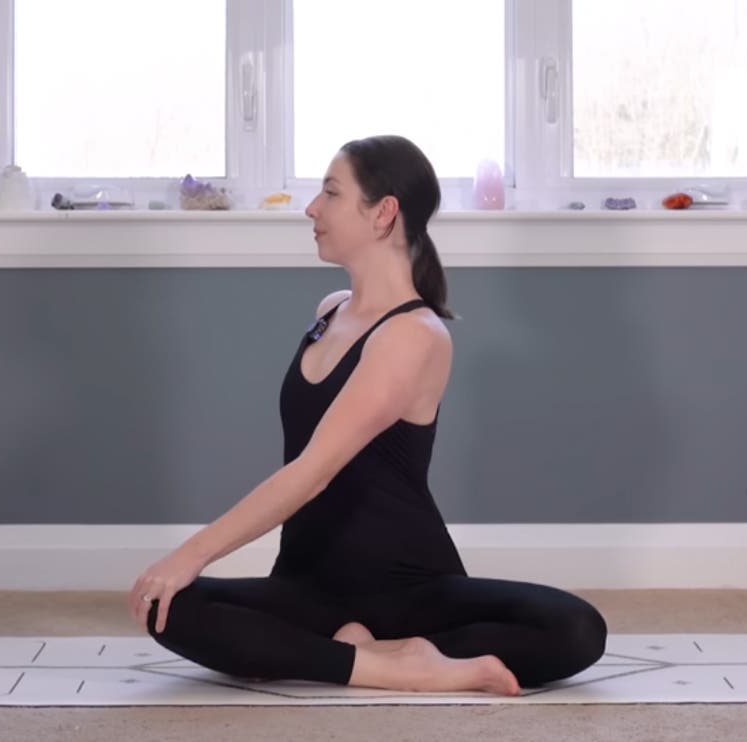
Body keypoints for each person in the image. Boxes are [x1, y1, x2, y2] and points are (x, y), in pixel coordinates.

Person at [129, 135, 607, 695]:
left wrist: (191, 552)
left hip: (410, 590)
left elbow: (314, 470)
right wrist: (180, 572)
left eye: (330, 193)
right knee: (168, 609)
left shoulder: (414, 334)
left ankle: (352, 657)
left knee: (576, 629)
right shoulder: (330, 311)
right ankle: (389, 663)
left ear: (383, 213)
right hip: (306, 586)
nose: (311, 208)